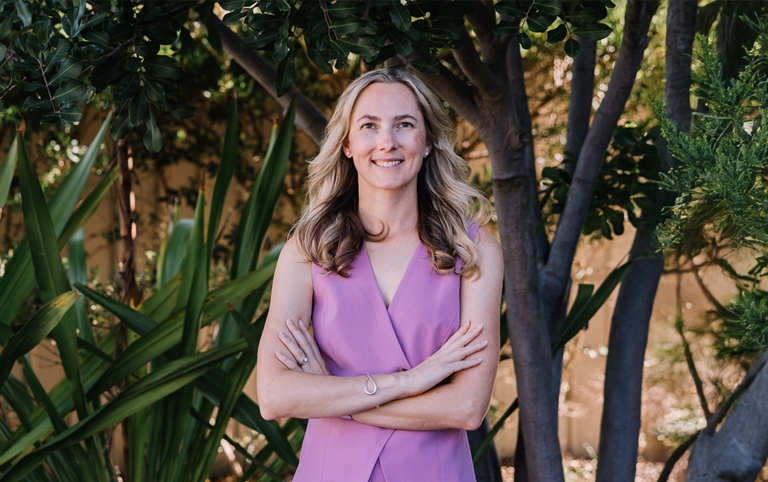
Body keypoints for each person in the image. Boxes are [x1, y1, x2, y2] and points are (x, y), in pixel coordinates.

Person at [256, 67, 504, 482]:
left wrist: (334, 395)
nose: (387, 141)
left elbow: (466, 408)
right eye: (369, 126)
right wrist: (413, 382)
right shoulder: (309, 249)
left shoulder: (473, 249)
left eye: (404, 125)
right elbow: (275, 395)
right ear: (348, 144)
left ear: (426, 142)